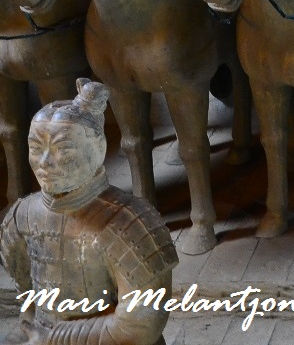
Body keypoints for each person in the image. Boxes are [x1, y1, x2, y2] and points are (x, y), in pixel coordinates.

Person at [0, 79, 177, 345]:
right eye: (36, 149)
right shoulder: (22, 215)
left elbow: (141, 326)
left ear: (98, 149)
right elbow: (26, 290)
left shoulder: (130, 224)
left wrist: (53, 338)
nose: (45, 162)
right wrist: (32, 331)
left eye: (64, 149)